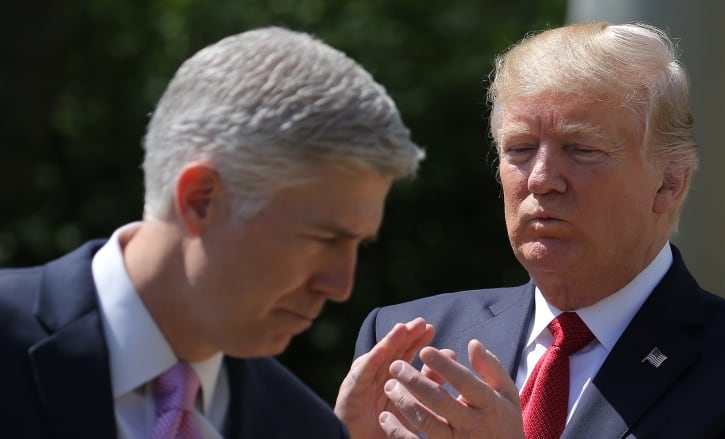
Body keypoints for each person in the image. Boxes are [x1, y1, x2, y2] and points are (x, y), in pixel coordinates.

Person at [335, 21, 725, 438]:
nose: (541, 178)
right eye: (521, 149)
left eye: (581, 149)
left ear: (669, 183)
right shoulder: (408, 340)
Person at [0, 26, 424, 437]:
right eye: (324, 238)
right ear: (200, 198)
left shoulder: (305, 425)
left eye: (357, 244)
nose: (340, 285)